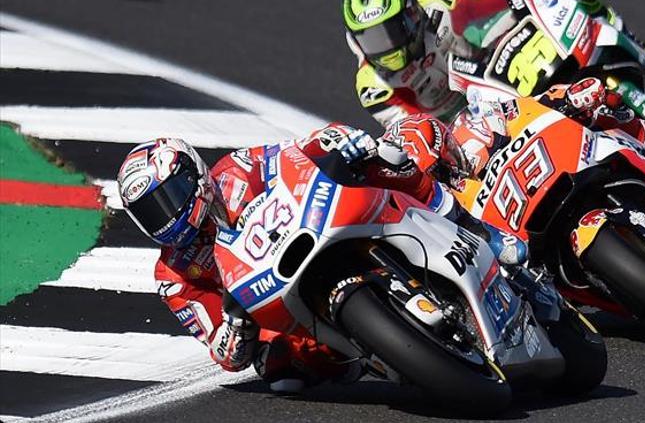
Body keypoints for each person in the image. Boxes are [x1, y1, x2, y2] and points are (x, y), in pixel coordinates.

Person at [117, 127, 526, 393]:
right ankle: (370, 352)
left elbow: (297, 153)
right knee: (278, 371)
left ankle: (476, 227)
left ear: (194, 176)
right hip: (277, 302)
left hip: (313, 230)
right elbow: (225, 355)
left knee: (385, 162)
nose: (167, 217)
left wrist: (338, 143)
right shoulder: (173, 277)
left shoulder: (235, 169)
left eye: (168, 199)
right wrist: (237, 325)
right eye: (152, 212)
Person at [342, 0, 645, 128]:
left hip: (494, 74)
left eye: (388, 33)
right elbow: (410, 129)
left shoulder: (437, 0)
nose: (384, 48)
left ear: (410, 13)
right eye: (370, 38)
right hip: (468, 128)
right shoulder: (374, 88)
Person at [387, 76, 645, 199]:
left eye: (441, 159)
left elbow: (518, 112)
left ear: (444, 143)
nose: (445, 170)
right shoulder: (442, 203)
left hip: (553, 166)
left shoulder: (469, 132)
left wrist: (564, 99)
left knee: (598, 104)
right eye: (435, 171)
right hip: (528, 237)